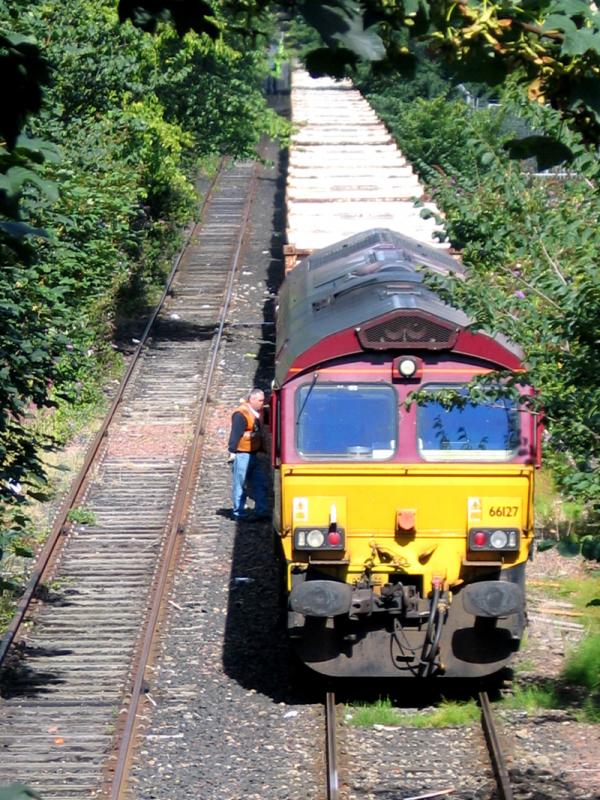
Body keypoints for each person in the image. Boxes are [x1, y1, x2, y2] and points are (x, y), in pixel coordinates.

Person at [227, 388, 270, 521]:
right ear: (252, 399)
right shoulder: (241, 414)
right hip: (242, 454)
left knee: (260, 482)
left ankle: (261, 510)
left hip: (254, 453)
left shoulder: (259, 412)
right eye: (260, 400)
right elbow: (235, 434)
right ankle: (238, 512)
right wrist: (232, 451)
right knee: (240, 484)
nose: (262, 403)